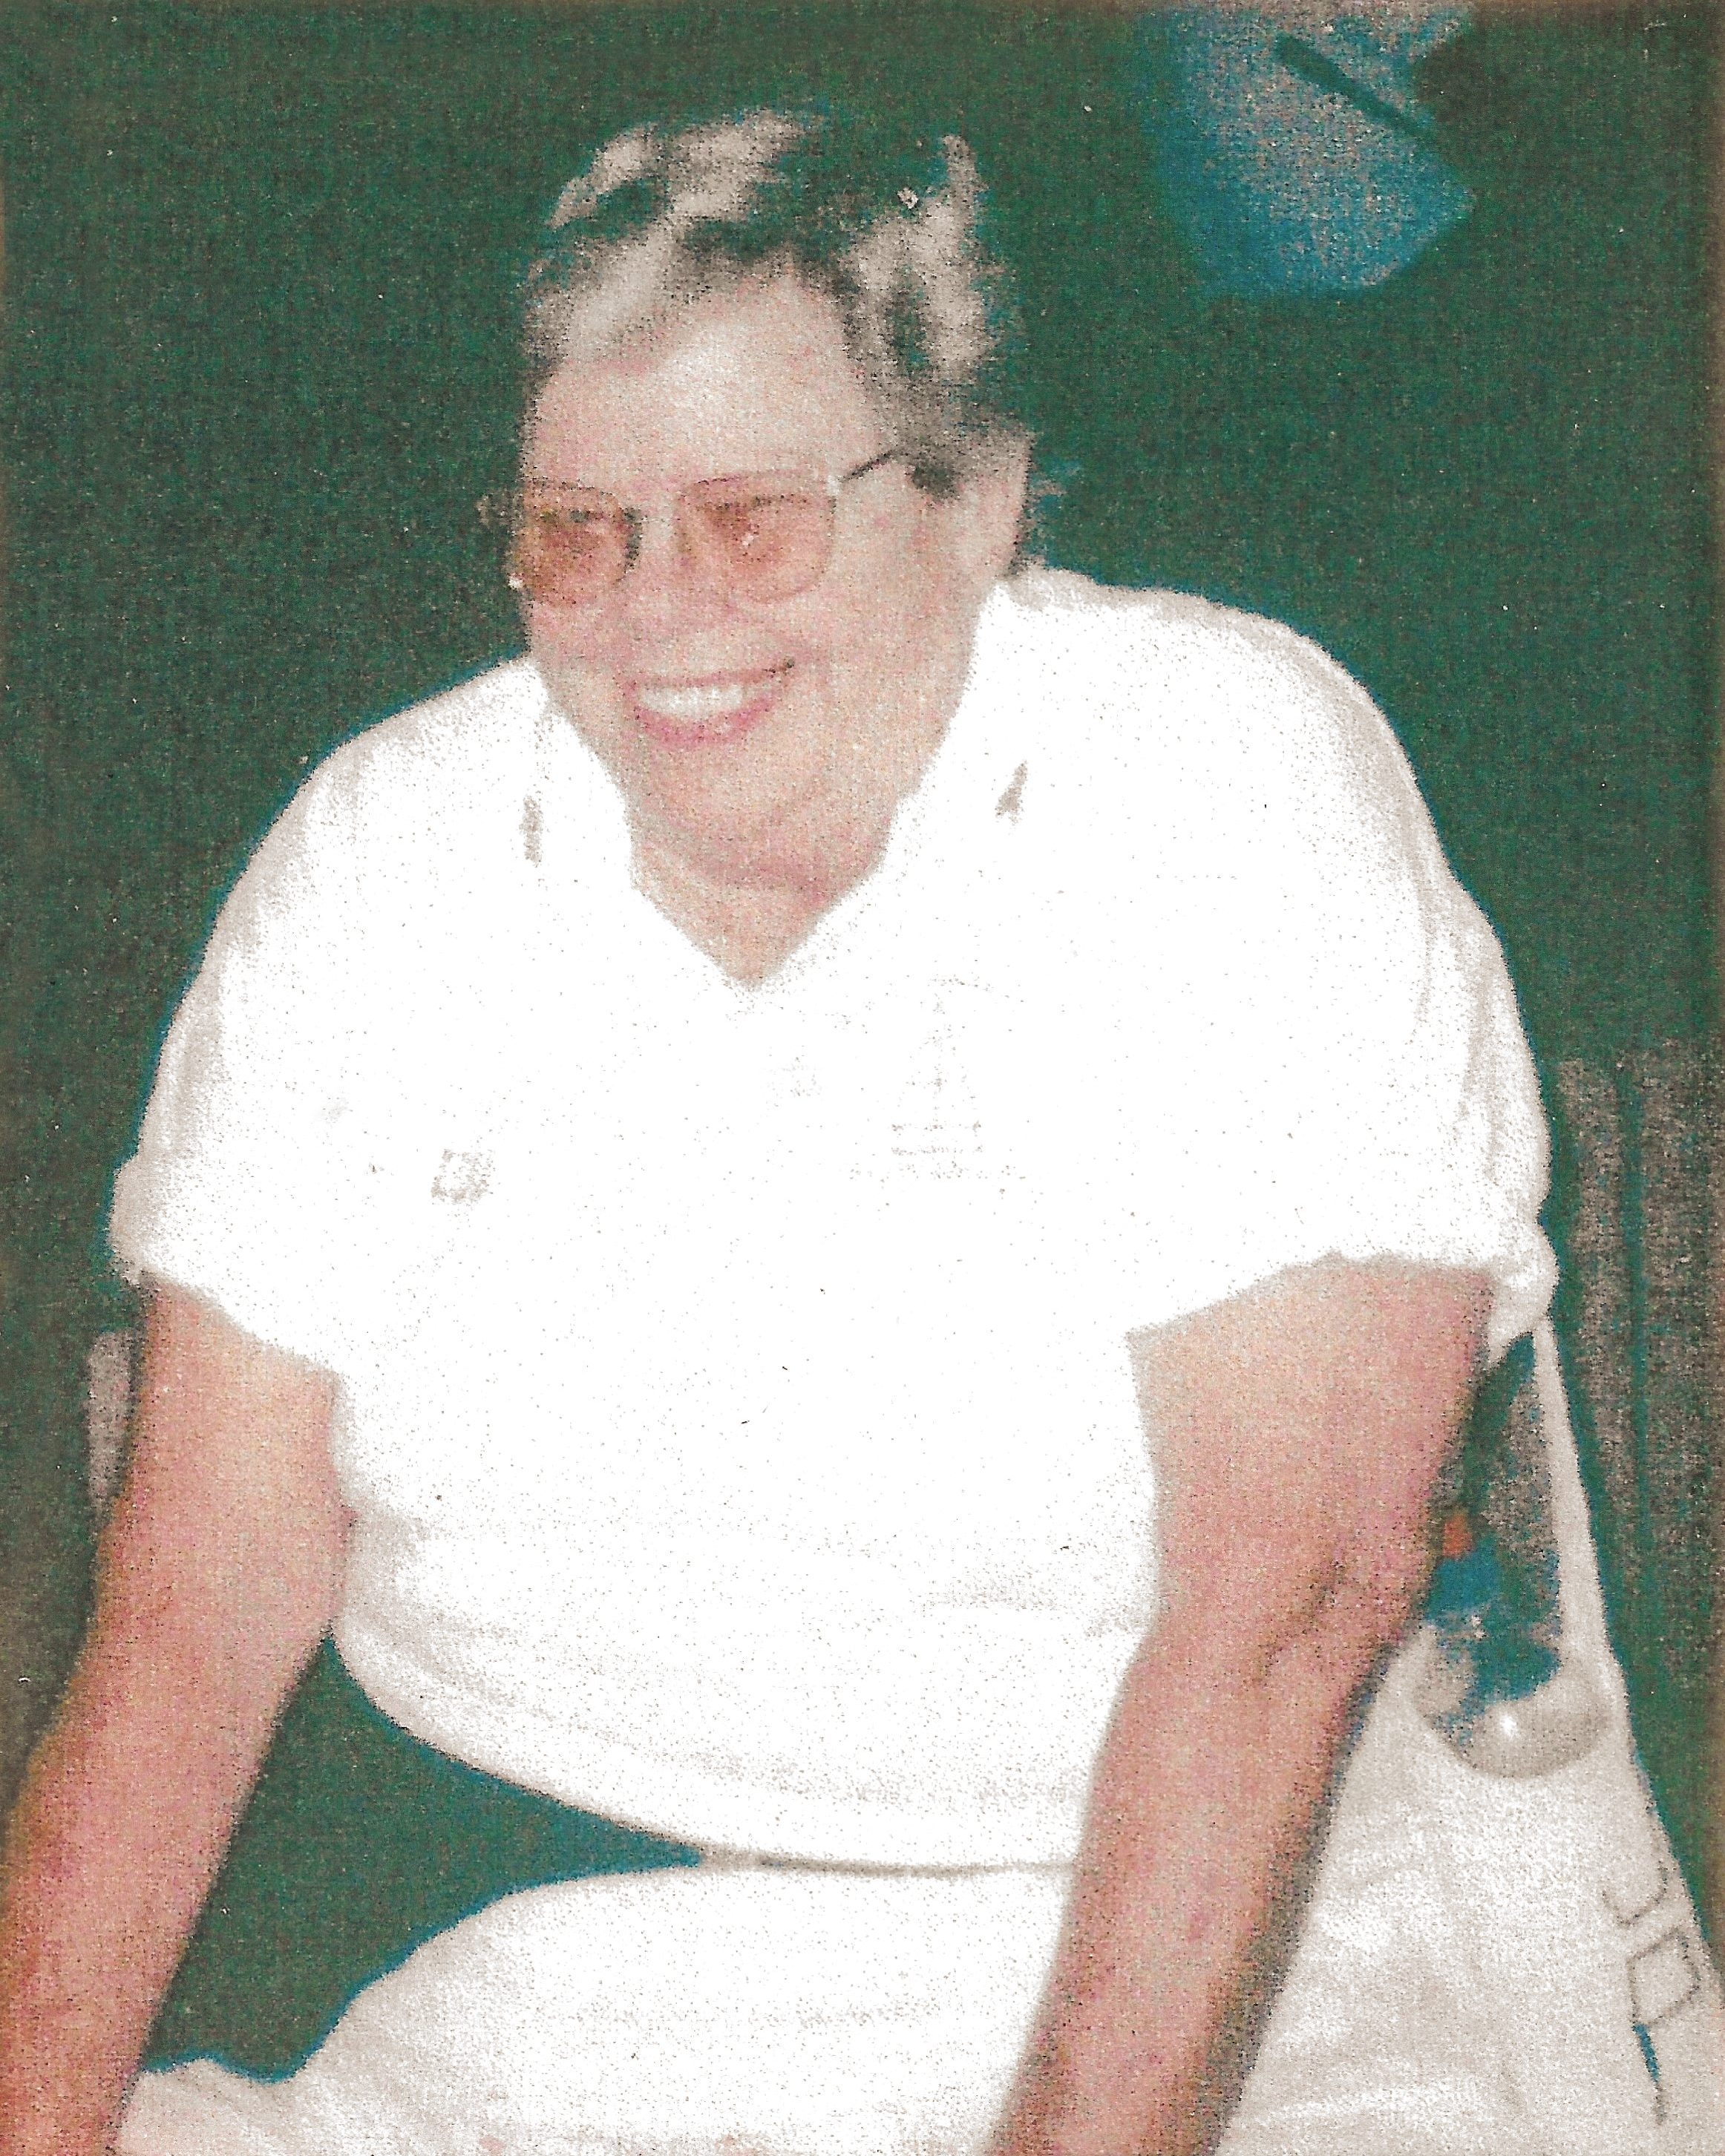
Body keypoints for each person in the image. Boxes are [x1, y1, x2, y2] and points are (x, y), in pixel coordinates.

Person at [0, 108, 1561, 2155]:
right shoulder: (387, 858)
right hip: (534, 2008)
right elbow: (194, 1606)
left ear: (979, 496)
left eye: (751, 518)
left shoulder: (1214, 788)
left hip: (1248, 2005)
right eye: (578, 529)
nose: (656, 613)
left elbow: (1290, 1605)